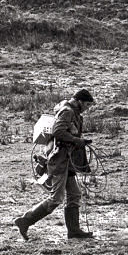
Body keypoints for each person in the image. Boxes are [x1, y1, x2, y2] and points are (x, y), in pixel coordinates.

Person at [15, 89, 96, 240]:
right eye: (87, 104)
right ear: (79, 101)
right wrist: (77, 141)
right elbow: (58, 132)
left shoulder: (71, 111)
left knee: (74, 194)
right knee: (56, 198)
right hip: (59, 160)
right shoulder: (67, 112)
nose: (88, 107)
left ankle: (74, 231)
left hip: (66, 160)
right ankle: (25, 221)